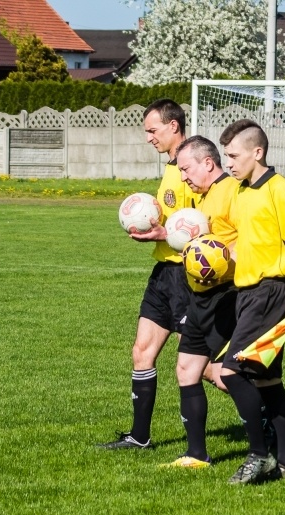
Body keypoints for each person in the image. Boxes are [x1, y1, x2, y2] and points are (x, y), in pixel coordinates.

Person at [99, 99, 202, 450]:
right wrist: (158, 231)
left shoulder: (192, 169)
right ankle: (140, 437)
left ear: (174, 126)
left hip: (188, 278)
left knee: (209, 369)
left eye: (152, 130)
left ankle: (272, 419)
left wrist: (164, 233)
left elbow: (203, 226)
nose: (148, 138)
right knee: (142, 351)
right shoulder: (172, 167)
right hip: (164, 273)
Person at [218, 119, 285, 484]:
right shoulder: (242, 192)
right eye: (226, 156)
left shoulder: (282, 190)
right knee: (266, 381)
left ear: (257, 153)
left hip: (271, 293)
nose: (229, 163)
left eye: (234, 155)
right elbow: (249, 242)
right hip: (246, 294)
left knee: (232, 371)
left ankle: (258, 454)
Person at [159, 135, 238, 467]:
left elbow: (250, 240)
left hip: (229, 295)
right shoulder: (201, 199)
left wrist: (220, 258)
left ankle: (280, 421)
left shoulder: (233, 193)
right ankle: (196, 454)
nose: (184, 176)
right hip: (200, 296)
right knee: (187, 368)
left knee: (228, 375)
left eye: (187, 169)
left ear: (208, 163)